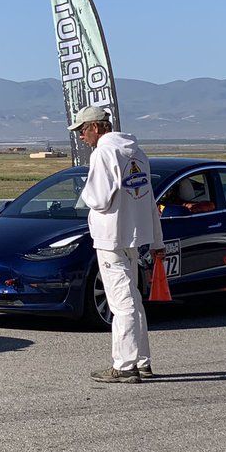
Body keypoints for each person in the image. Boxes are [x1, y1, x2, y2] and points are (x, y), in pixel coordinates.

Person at [70, 105, 164, 384]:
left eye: (82, 130)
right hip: (134, 236)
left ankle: (124, 365)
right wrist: (157, 239)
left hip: (111, 237)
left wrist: (84, 193)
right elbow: (148, 200)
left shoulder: (103, 153)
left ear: (96, 127)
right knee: (133, 300)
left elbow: (98, 198)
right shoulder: (137, 153)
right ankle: (141, 360)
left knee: (121, 303)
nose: (81, 138)